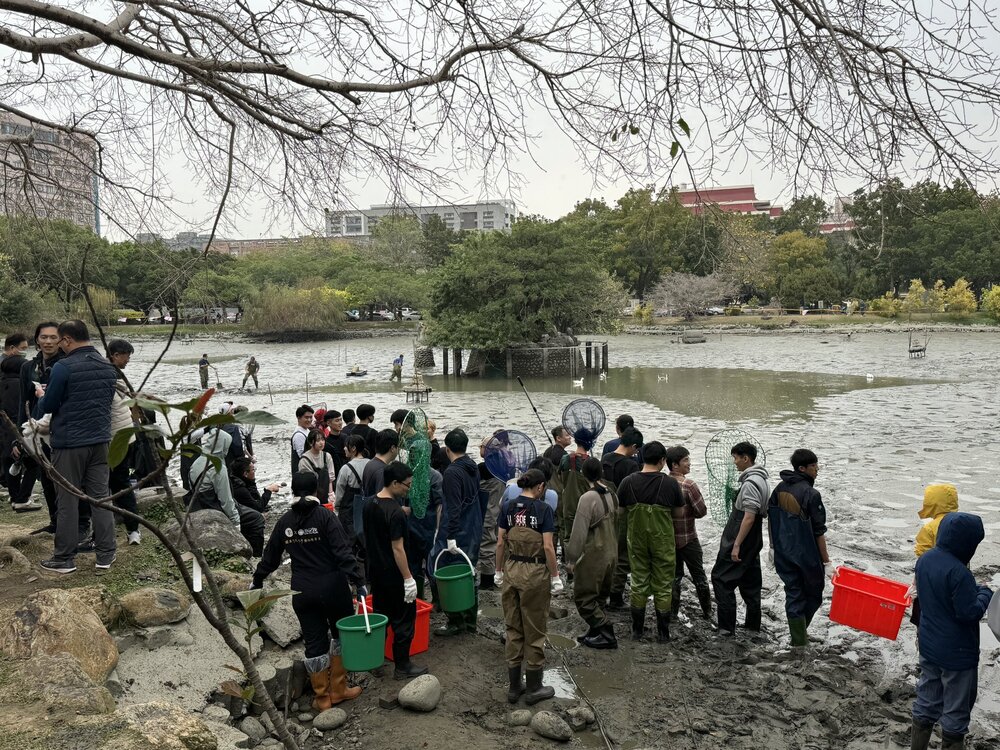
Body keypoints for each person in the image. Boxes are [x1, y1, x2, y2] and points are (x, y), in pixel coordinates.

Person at [252, 472, 364, 709]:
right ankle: (339, 688)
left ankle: (322, 698)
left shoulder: (285, 522)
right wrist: (359, 581)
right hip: (333, 587)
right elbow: (343, 552)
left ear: (292, 491)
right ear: (317, 491)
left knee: (314, 642)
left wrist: (258, 579)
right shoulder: (326, 517)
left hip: (302, 590)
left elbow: (270, 557)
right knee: (339, 634)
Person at [33, 320, 117, 574]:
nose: (57, 344)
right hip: (101, 441)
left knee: (67, 500)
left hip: (70, 443)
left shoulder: (64, 367)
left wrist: (41, 396)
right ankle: (105, 554)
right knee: (101, 498)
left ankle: (64, 558)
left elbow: (48, 406)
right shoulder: (107, 365)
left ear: (67, 340)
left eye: (59, 340)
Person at [910, 513, 993, 750]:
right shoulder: (960, 572)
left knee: (927, 698)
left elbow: (938, 595)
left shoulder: (924, 560)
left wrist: (972, 589)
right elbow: (969, 612)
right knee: (956, 711)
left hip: (929, 645)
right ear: (968, 543)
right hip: (957, 655)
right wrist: (985, 593)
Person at [495, 468, 560, 705]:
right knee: (534, 629)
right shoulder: (544, 510)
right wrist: (555, 576)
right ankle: (533, 687)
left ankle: (514, 687)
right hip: (534, 573)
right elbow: (548, 547)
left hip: (511, 569)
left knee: (513, 627)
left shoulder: (508, 507)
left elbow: (501, 542)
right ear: (540, 487)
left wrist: (498, 571)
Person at [363, 461, 429, 678]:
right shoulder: (396, 513)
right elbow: (398, 548)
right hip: (395, 574)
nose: (408, 489)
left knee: (381, 616)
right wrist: (408, 578)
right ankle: (402, 666)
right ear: (394, 483)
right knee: (404, 620)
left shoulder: (370, 503)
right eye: (407, 485)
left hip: (376, 572)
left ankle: (374, 660)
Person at [617, 441, 685, 642]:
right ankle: (663, 634)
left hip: (636, 540)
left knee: (638, 581)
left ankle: (637, 631)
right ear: (663, 461)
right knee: (664, 584)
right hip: (662, 540)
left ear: (641, 457)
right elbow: (679, 513)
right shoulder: (670, 483)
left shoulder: (627, 482)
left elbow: (619, 513)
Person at [766, 449, 831, 646]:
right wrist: (827, 561)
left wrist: (772, 547)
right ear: (802, 468)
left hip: (783, 551)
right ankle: (799, 639)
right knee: (813, 593)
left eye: (817, 465)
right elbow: (819, 532)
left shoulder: (780, 488)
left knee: (793, 592)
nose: (817, 469)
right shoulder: (811, 494)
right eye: (813, 466)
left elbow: (771, 518)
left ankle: (799, 634)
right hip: (806, 554)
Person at [711, 441, 771, 637]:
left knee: (721, 580)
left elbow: (749, 516)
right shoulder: (762, 479)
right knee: (750, 581)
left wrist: (736, 544)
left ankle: (726, 629)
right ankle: (753, 627)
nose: (734, 462)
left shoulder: (750, 483)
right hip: (754, 541)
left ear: (746, 458)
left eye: (736, 458)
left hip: (742, 538)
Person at [429, 428, 482, 636]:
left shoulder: (452, 472)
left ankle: (455, 621)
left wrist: (450, 536)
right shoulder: (473, 467)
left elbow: (453, 507)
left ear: (447, 448)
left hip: (457, 530)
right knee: (468, 571)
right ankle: (470, 621)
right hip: (473, 526)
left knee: (440, 568)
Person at [13, 322, 63, 522]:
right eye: (44, 337)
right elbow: (23, 402)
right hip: (35, 429)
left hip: (60, 429)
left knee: (63, 478)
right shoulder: (28, 367)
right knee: (46, 477)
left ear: (61, 340)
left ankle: (73, 524)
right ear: (37, 340)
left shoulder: (65, 365)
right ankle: (54, 521)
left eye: (53, 337)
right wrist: (18, 436)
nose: (48, 342)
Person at [566, 458, 618, 649]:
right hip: (611, 552)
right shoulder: (611, 493)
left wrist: (571, 559)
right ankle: (595, 631)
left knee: (584, 598)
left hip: (595, 553)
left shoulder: (587, 498)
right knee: (600, 598)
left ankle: (606, 631)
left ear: (582, 474)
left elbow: (579, 532)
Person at [189, 428, 265, 557]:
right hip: (216, 509)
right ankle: (255, 556)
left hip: (199, 505)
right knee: (257, 519)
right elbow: (226, 500)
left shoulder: (197, 461)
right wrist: (236, 522)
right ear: (222, 446)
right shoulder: (218, 467)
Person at [666, 445, 712, 620]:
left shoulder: (663, 482)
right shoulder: (688, 485)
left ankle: (672, 613)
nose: (689, 463)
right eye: (685, 460)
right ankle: (707, 612)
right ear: (675, 465)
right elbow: (701, 512)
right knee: (699, 576)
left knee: (674, 577)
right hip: (688, 539)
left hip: (669, 539)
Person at [106, 339, 142, 545]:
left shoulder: (112, 374)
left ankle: (131, 528)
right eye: (127, 355)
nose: (128, 360)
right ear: (116, 355)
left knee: (114, 482)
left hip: (119, 438)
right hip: (118, 437)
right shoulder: (111, 375)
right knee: (120, 482)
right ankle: (132, 529)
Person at [601, 427, 642, 609]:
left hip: (604, 510)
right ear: (633, 446)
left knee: (606, 552)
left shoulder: (606, 459)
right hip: (622, 513)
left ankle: (602, 590)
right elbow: (632, 495)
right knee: (622, 556)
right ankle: (616, 596)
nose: (636, 453)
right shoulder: (630, 465)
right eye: (637, 449)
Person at [910, 484, 960, 627]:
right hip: (956, 579)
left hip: (932, 581)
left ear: (932, 503)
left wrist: (916, 583)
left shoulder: (930, 528)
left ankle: (922, 640)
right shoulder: (960, 522)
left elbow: (923, 557)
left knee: (925, 616)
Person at [478, 432, 508, 591]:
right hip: (500, 510)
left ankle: (487, 580)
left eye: (481, 446)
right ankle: (499, 571)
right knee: (498, 540)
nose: (479, 449)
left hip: (488, 512)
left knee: (487, 542)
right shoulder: (504, 463)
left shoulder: (483, 468)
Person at [1, 333, 28, 506]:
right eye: (24, 349)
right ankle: (17, 495)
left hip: (6, 423)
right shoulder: (15, 381)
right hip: (10, 423)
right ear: (12, 348)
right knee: (13, 456)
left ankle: (10, 489)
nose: (25, 352)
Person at [298, 429, 335, 505]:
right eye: (318, 440)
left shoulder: (327, 456)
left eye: (323, 439)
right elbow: (306, 483)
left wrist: (331, 494)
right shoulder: (304, 460)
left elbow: (330, 478)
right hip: (310, 496)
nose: (321, 442)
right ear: (311, 443)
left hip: (325, 494)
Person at [290, 404, 314, 474]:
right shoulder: (298, 435)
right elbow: (302, 456)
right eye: (306, 417)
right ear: (298, 418)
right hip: (302, 472)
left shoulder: (307, 431)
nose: (309, 420)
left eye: (311, 417)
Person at [323, 410, 347, 477]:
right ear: (328, 423)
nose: (340, 423)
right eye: (337, 421)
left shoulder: (346, 438)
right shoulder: (326, 443)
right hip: (334, 475)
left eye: (341, 420)